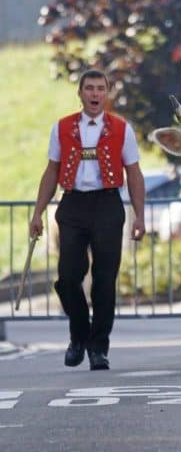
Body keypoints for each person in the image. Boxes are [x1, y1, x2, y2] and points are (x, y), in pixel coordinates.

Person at [29, 68, 145, 371]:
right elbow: (52, 170)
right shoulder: (63, 127)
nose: (95, 94)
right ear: (80, 93)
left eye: (100, 89)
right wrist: (38, 212)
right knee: (68, 276)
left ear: (107, 94)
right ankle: (78, 335)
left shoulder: (122, 128)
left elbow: (133, 173)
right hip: (73, 204)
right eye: (89, 88)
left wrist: (140, 216)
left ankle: (98, 347)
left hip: (107, 204)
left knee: (104, 280)